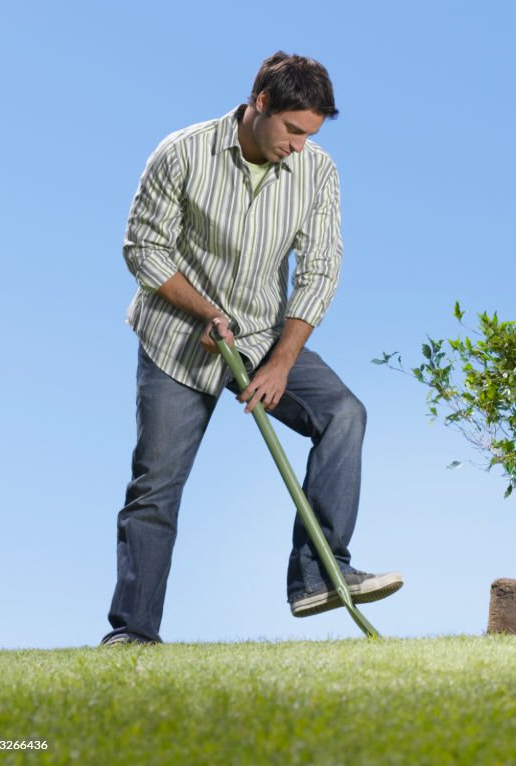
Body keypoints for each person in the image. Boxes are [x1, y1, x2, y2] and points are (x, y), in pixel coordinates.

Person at [102, 52, 402, 646]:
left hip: (264, 337)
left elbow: (319, 270)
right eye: (292, 130)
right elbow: (144, 249)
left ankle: (318, 574)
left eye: (310, 135)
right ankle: (132, 634)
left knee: (345, 415)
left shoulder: (317, 172)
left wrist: (283, 362)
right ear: (259, 102)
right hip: (177, 343)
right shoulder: (183, 152)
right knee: (155, 488)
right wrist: (207, 312)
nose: (298, 146)